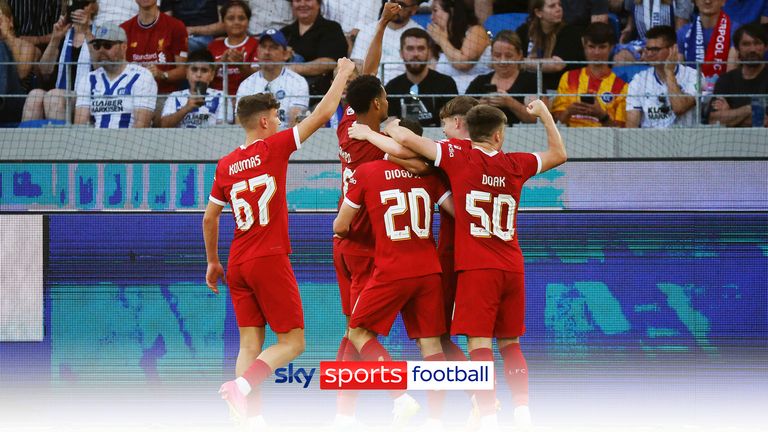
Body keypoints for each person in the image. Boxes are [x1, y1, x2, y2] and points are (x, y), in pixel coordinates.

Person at [384, 99, 567, 431]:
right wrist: (544, 115)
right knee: (510, 343)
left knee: (479, 345)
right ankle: (523, 411)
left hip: (476, 268)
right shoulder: (516, 164)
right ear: (498, 136)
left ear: (469, 131)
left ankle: (488, 416)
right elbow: (559, 154)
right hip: (512, 265)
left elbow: (410, 142)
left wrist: (393, 126)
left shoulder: (458, 157)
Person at [204, 57, 356, 429]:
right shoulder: (273, 147)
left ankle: (248, 419)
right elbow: (322, 114)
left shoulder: (225, 165)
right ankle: (241, 386)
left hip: (237, 261)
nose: (279, 122)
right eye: (276, 116)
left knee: (248, 346)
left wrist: (213, 262)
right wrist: (342, 75)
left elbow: (210, 218)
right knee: (293, 343)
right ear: (265, 122)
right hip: (268, 257)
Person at [332, 137, 455, 431]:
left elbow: (340, 226)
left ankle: (399, 396)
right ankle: (436, 420)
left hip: (390, 268)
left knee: (358, 333)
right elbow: (458, 212)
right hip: (429, 270)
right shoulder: (431, 175)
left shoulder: (368, 171)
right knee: (431, 345)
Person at [22, 0, 97, 123]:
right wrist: (55, 39)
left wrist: (87, 32)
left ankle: (59, 142)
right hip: (60, 93)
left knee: (54, 97)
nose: (79, 9)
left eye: (84, 4)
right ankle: (27, 141)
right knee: (34, 96)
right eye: (75, 4)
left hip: (88, 97)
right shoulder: (64, 34)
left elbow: (101, 67)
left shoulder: (100, 33)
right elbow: (44, 71)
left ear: (93, 8)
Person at [74, 23, 157, 128]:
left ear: (124, 47)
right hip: (95, 142)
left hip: (130, 142)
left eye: (108, 45)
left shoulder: (142, 76)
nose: (101, 50)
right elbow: (80, 126)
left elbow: (141, 127)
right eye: (97, 46)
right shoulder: (88, 80)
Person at [553, 22, 628, 127]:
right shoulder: (568, 78)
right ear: (583, 44)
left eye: (602, 47)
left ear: (611, 47)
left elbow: (621, 134)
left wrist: (602, 116)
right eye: (592, 46)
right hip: (569, 139)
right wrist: (569, 112)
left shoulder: (621, 87)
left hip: (604, 141)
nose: (596, 52)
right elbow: (556, 123)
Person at [235, 28, 309, 128]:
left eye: (274, 47)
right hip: (255, 140)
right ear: (257, 52)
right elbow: (240, 122)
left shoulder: (298, 82)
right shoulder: (246, 85)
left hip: (285, 137)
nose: (267, 52)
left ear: (285, 54)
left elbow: (295, 120)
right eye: (263, 46)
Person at [385, 27, 458, 127]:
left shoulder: (446, 84)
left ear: (429, 53)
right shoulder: (392, 87)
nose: (415, 54)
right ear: (401, 53)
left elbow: (449, 128)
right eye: (410, 48)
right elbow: (390, 126)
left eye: (421, 48)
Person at [626, 25, 698, 128]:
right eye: (647, 49)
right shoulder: (638, 81)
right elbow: (631, 127)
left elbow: (679, 108)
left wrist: (669, 72)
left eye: (655, 49)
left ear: (673, 49)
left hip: (685, 141)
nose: (649, 54)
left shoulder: (694, 76)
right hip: (649, 141)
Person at [466, 30, 539, 125]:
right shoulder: (480, 81)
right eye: (497, 55)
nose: (502, 60)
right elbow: (462, 115)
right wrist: (479, 106)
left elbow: (538, 119)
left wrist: (510, 103)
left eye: (508, 55)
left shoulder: (532, 80)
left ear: (519, 55)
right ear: (491, 55)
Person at [120, 0, 189, 96]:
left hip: (164, 95)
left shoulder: (176, 27)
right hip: (131, 95)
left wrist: (162, 75)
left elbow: (183, 71)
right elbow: (117, 69)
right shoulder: (123, 29)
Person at [280, 0, 348, 98]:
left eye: (308, 0)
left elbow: (329, 63)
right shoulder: (285, 32)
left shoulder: (332, 28)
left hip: (321, 96)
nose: (303, 4)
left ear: (319, 4)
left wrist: (290, 68)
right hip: (287, 94)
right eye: (298, 1)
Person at [349, 0, 424, 84]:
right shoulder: (367, 30)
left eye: (401, 5)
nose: (395, 7)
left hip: (406, 88)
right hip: (372, 87)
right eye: (392, 1)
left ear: (414, 9)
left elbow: (426, 67)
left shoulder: (420, 33)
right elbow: (358, 66)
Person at [708, 23, 768, 127]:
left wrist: (730, 113)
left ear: (766, 47)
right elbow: (713, 119)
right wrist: (749, 109)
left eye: (757, 43)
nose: (752, 49)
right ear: (737, 49)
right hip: (730, 142)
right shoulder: (725, 80)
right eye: (746, 44)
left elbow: (764, 122)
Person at [517, 0, 586, 91]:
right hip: (529, 87)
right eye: (552, 6)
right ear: (538, 13)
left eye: (559, 5)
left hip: (559, 89)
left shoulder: (570, 32)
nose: (559, 9)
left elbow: (557, 65)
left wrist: (522, 62)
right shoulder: (524, 31)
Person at [428, 0, 491, 94]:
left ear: (451, 11)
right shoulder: (438, 40)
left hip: (476, 96)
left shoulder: (477, 31)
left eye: (435, 10)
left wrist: (442, 40)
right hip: (447, 98)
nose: (431, 17)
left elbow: (464, 64)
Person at [677, 0, 739, 94]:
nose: (707, 1)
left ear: (723, 2)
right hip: (690, 94)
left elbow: (731, 72)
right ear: (695, 2)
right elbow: (679, 72)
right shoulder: (683, 32)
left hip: (723, 94)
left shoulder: (735, 31)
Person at [160, 49, 227, 127]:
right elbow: (164, 125)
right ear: (187, 73)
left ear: (212, 75)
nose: (198, 75)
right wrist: (186, 108)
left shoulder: (221, 96)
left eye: (204, 70)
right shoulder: (175, 96)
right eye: (194, 70)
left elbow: (223, 130)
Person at [208, 0, 259, 100]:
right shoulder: (213, 46)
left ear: (248, 21)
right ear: (223, 22)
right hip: (215, 101)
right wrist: (221, 63)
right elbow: (202, 77)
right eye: (231, 18)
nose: (236, 22)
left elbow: (259, 78)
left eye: (241, 18)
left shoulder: (256, 45)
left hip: (247, 100)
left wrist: (241, 66)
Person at [615, 0, 693, 63]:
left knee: (661, 56)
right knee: (621, 58)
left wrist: (651, 50)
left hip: (668, 43)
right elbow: (631, 17)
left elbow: (679, 35)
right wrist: (628, 29)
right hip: (642, 42)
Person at [0, 0, 40, 86]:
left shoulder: (26, 47)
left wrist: (7, 36)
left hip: (16, 93)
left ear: (10, 20)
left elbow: (21, 74)